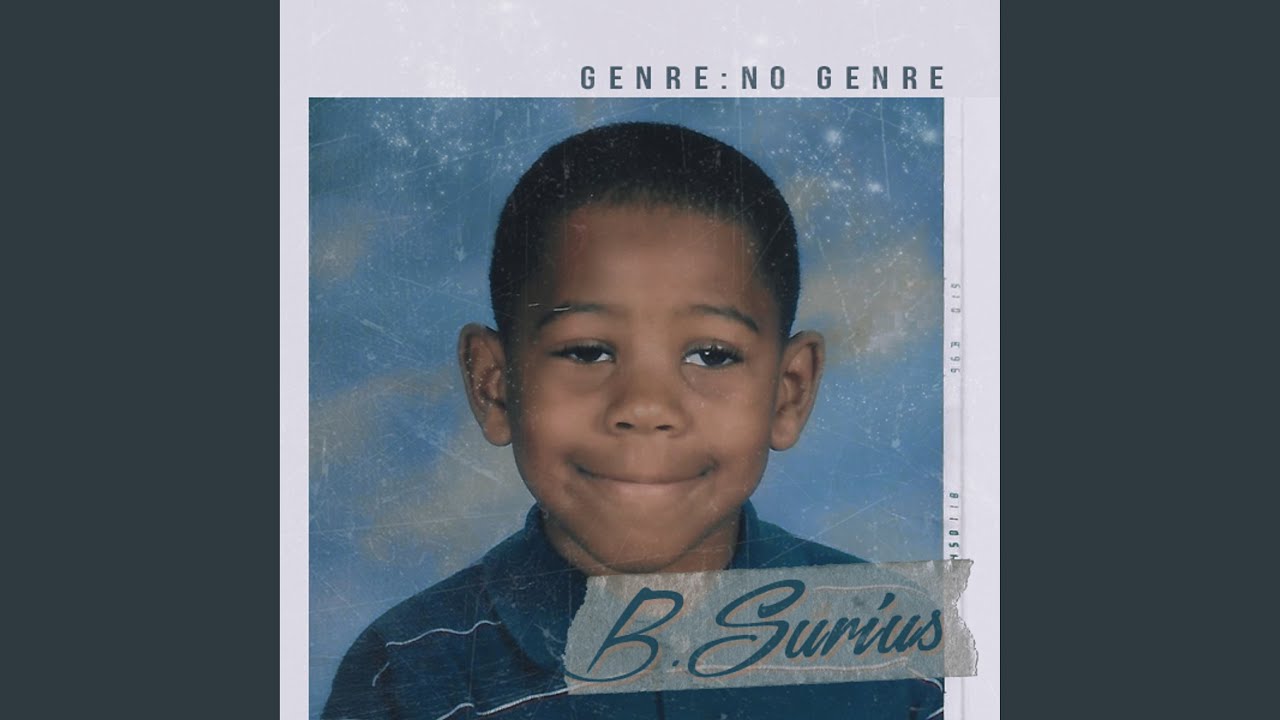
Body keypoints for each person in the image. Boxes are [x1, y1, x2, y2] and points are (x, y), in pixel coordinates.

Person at [323, 122, 943, 719]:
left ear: (789, 393)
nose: (646, 407)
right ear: (495, 384)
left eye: (711, 355)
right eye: (587, 352)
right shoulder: (409, 676)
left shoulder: (896, 649)